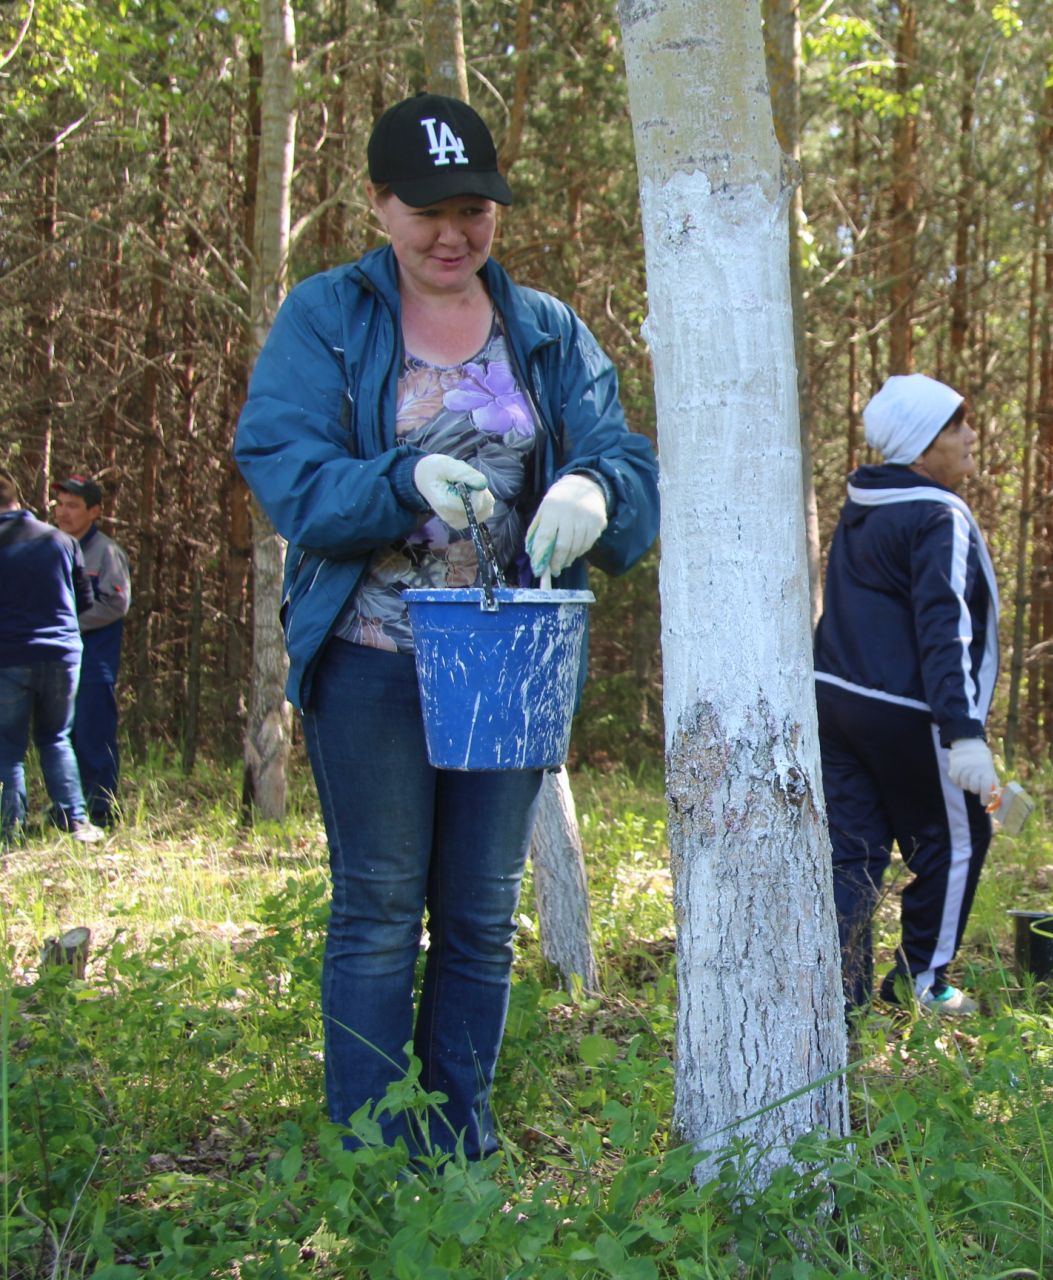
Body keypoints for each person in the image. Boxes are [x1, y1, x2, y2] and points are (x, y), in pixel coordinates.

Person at [233, 93, 659, 1161]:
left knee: (478, 916)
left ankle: (456, 1143)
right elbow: (284, 471)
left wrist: (597, 490)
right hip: (372, 660)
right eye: (424, 208)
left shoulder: (547, 330)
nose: (451, 233)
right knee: (379, 912)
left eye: (473, 206)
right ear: (377, 202)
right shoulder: (327, 317)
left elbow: (626, 458)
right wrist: (399, 479)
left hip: (507, 664)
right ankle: (373, 1151)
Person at [814, 374, 1000, 1018]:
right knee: (961, 839)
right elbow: (943, 626)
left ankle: (841, 996)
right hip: (908, 713)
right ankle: (922, 980)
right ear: (923, 447)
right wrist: (964, 733)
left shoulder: (866, 502)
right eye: (956, 427)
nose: (971, 436)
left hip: (835, 699)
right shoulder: (938, 514)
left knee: (855, 852)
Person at [0, 471, 106, 846]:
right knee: (56, 738)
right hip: (63, 653)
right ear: (18, 499)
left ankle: (9, 832)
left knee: (8, 748)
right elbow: (84, 600)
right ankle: (76, 822)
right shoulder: (61, 540)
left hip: (10, 655)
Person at [50, 474, 131, 828]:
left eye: (73, 506)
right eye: (60, 504)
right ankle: (66, 812)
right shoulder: (50, 547)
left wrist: (65, 622)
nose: (63, 513)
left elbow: (116, 604)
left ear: (95, 511)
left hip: (94, 661)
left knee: (93, 734)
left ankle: (101, 810)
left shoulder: (106, 552)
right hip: (54, 662)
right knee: (59, 737)